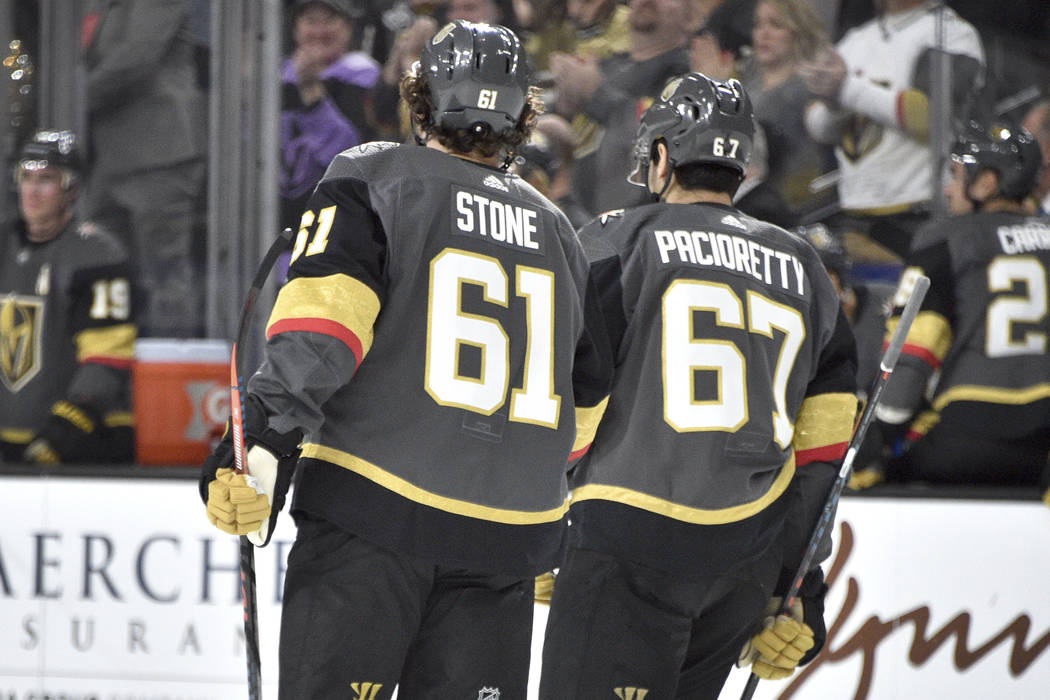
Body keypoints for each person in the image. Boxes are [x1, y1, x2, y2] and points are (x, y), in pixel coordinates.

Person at [198, 20, 611, 698]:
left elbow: (323, 329)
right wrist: (541, 490)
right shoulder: (561, 233)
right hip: (508, 539)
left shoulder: (372, 175)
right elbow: (587, 400)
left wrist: (267, 436)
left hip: (374, 516)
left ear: (422, 99)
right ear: (520, 115)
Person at [540, 73, 858, 699]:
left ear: (661, 156)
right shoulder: (805, 267)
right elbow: (823, 459)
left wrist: (541, 522)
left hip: (627, 537)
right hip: (745, 559)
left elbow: (573, 394)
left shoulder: (616, 238)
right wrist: (798, 586)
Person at [872, 121, 1050, 487]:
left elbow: (912, 354)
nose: (951, 189)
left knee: (882, 473)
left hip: (972, 431)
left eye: (957, 175)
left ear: (986, 182)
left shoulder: (945, 240)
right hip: (1044, 445)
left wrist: (883, 437)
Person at [800, 0, 984, 261]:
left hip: (917, 215)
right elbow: (816, 126)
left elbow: (930, 119)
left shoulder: (950, 33)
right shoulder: (856, 40)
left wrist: (846, 89)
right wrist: (833, 102)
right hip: (852, 213)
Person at [0, 130, 137, 464]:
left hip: (79, 446)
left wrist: (62, 434)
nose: (31, 190)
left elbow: (107, 359)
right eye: (26, 176)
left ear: (71, 189)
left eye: (46, 179)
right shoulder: (4, 242)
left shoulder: (96, 254)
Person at [81, 0, 206, 338]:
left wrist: (75, 98)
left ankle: (170, 374)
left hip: (158, 154)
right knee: (101, 267)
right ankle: (108, 367)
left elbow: (135, 58)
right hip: (113, 157)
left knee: (162, 272)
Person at [550, 0, 693, 217]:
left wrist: (596, 94)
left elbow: (667, 132)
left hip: (630, 226)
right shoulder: (606, 65)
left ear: (690, 16)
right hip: (568, 213)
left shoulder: (688, 77)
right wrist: (561, 106)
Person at [281, 0, 381, 232]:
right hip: (275, 224)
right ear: (295, 28)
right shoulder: (272, 78)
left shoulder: (365, 80)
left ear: (348, 27)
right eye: (311, 21)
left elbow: (350, 155)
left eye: (329, 21)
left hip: (338, 225)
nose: (319, 31)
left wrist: (312, 93)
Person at [739, 0, 833, 209]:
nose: (764, 34)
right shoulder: (745, 89)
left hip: (795, 204)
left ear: (799, 30)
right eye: (758, 25)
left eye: (776, 25)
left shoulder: (809, 89)